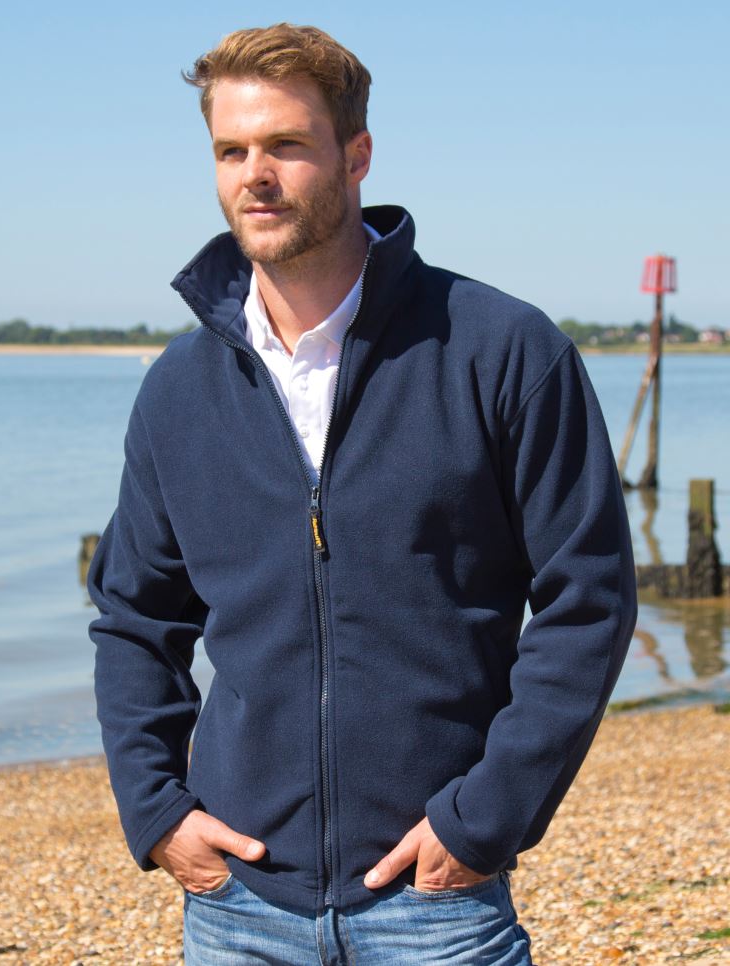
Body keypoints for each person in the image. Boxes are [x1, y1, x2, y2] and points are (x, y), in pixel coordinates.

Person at [87, 23, 637, 965]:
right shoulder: (179, 390)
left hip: (436, 903)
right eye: (231, 150)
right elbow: (135, 620)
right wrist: (156, 811)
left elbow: (589, 600)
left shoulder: (502, 351)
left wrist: (484, 819)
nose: (256, 175)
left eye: (286, 144)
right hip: (239, 906)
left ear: (356, 155)